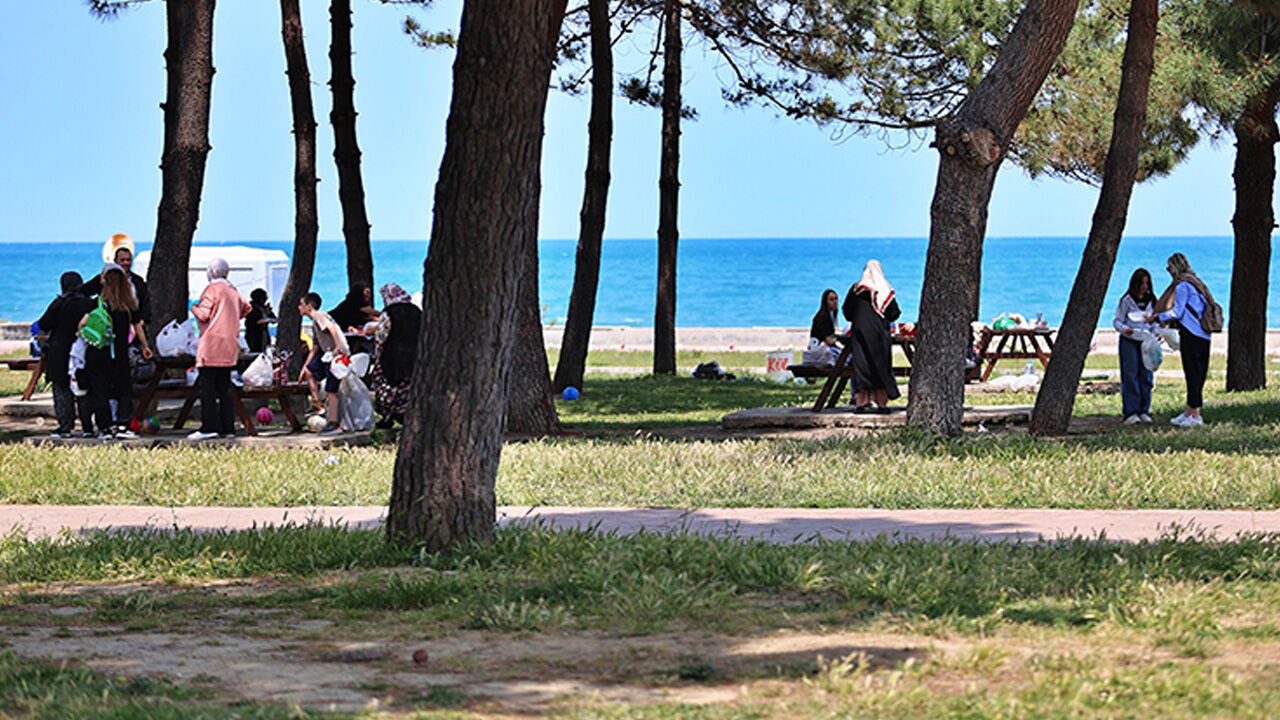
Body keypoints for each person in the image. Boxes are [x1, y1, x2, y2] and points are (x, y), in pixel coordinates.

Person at [79, 263, 153, 438]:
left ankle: (105, 427)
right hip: (119, 352)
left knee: (99, 390)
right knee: (124, 388)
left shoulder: (94, 304)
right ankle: (123, 425)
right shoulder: (128, 306)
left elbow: (82, 293)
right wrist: (145, 346)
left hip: (97, 352)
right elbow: (138, 326)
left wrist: (99, 279)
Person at [187, 259, 251, 440]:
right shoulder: (233, 290)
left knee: (206, 387)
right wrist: (232, 317)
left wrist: (193, 307)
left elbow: (204, 314)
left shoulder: (212, 289)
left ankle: (209, 426)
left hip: (211, 345)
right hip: (229, 345)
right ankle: (227, 428)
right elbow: (247, 307)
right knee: (225, 388)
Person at [1148, 253, 1213, 427]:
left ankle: (1195, 415)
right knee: (1197, 373)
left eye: (1169, 268)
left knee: (1192, 374)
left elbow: (1177, 312)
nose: (1168, 272)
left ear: (1175, 268)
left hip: (1192, 334)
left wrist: (1156, 318)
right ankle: (1189, 412)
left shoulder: (1183, 285)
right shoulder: (1196, 283)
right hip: (1204, 334)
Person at [37, 272, 96, 437]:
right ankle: (87, 427)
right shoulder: (89, 303)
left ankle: (65, 426)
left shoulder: (59, 303)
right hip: (83, 353)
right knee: (83, 390)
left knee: (62, 390)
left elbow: (44, 323)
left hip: (59, 352)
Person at [842, 260, 901, 412]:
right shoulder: (884, 290)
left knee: (861, 367)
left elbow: (847, 312)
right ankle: (882, 404)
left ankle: (861, 403)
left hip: (859, 334)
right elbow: (894, 313)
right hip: (880, 336)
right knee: (881, 368)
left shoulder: (856, 290)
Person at [365, 282, 422, 427]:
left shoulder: (389, 312)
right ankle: (407, 414)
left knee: (386, 387)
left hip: (392, 356)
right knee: (407, 387)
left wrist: (378, 354)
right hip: (414, 355)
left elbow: (381, 335)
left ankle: (387, 417)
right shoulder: (417, 311)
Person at [299, 291, 350, 434]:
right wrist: (304, 367)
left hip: (335, 356)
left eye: (301, 304)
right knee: (310, 371)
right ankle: (317, 404)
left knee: (330, 390)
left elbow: (331, 328)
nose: (299, 307)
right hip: (326, 355)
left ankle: (334, 423)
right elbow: (315, 346)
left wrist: (337, 347)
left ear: (309, 306)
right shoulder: (314, 322)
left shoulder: (320, 315)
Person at [1113, 268, 1156, 424]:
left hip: (1146, 340)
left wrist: (1156, 333)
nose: (1144, 287)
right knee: (1130, 375)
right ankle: (1131, 412)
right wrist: (1126, 330)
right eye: (1141, 283)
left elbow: (1154, 322)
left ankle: (1144, 410)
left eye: (1146, 283)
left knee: (1146, 375)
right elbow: (1117, 321)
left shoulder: (1152, 300)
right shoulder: (1127, 300)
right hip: (1130, 340)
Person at [806, 288, 843, 366]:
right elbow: (828, 340)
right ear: (826, 302)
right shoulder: (824, 318)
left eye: (836, 299)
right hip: (822, 352)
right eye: (831, 299)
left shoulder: (825, 316)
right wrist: (839, 338)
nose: (835, 302)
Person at [244, 288, 275, 353]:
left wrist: (268, 312)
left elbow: (274, 320)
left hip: (265, 334)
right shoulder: (251, 308)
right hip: (255, 336)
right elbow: (251, 322)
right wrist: (261, 321)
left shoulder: (264, 308)